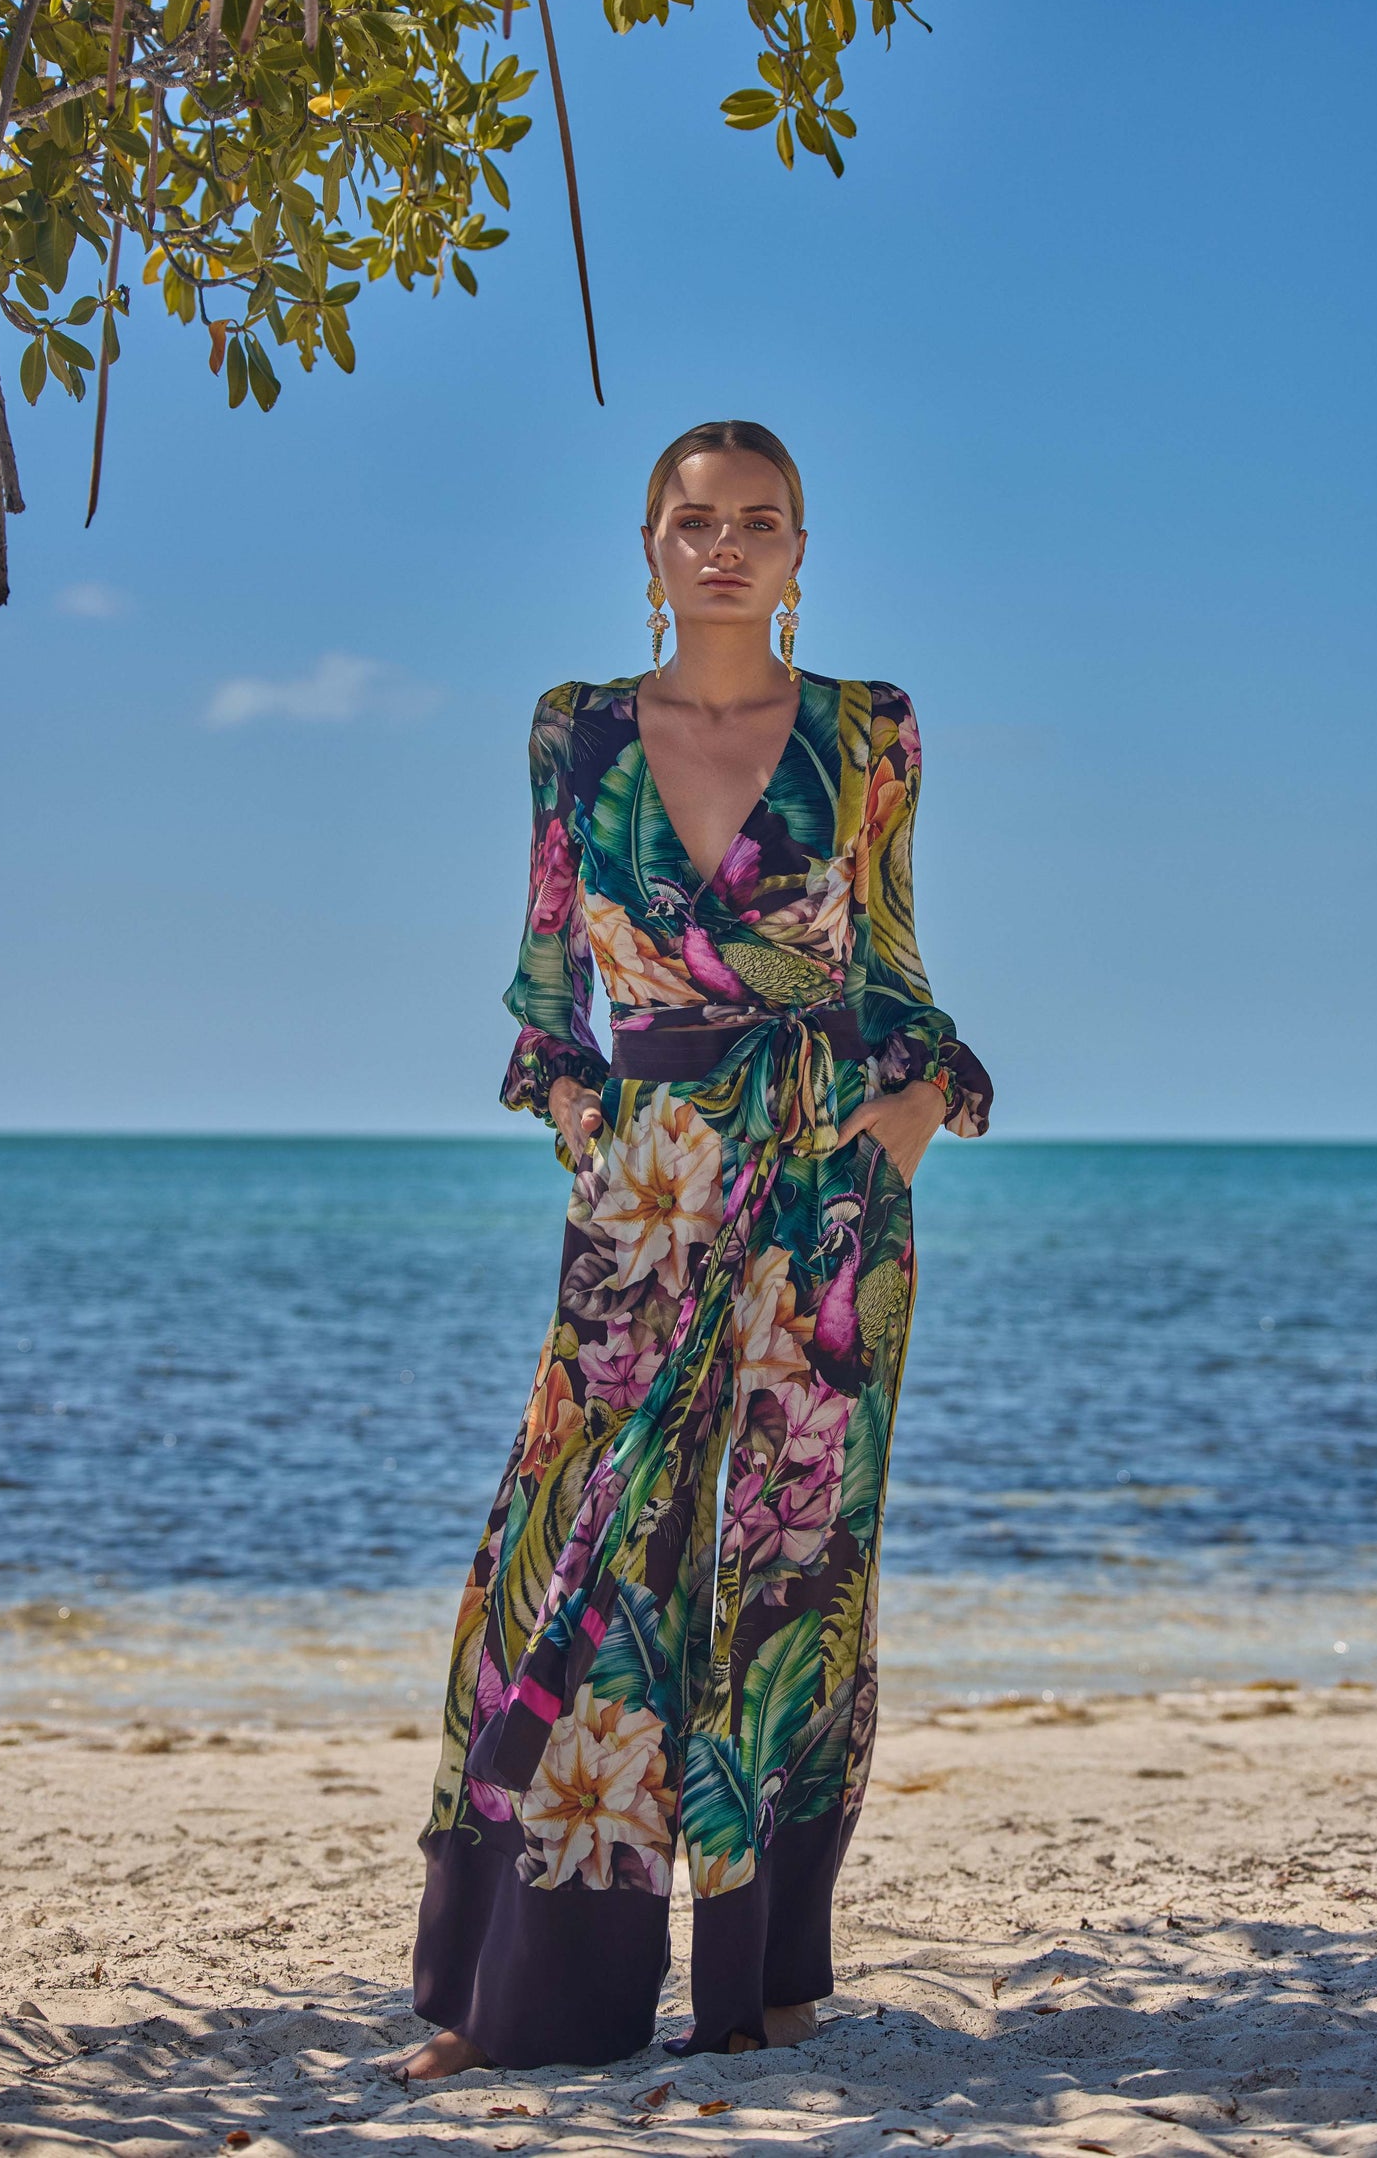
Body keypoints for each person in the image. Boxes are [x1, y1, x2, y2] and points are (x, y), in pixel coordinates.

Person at [394, 419, 992, 2078]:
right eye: (695, 520)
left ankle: (761, 1980)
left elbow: (891, 959)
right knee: (579, 1547)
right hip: (646, 1192)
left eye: (760, 522)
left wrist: (914, 1108)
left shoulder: (870, 729)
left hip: (830, 1188)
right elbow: (545, 976)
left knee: (794, 1573)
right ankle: (523, 1997)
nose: (725, 545)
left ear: (800, 554)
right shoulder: (575, 728)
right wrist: (584, 1120)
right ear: (648, 544)